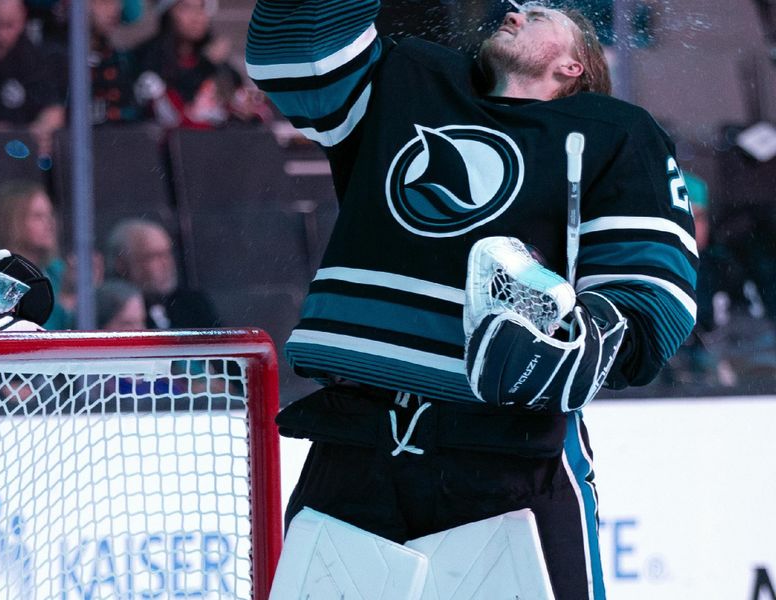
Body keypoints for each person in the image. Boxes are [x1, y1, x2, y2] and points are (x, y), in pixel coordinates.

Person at [246, 2, 697, 599]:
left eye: (541, 13)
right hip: (355, 446)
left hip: (508, 459)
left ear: (573, 65)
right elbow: (295, 54)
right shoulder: (405, 80)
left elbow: (653, 299)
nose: (515, 9)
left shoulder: (617, 131)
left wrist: (581, 341)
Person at [134, 0, 271, 130]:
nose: (197, 17)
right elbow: (172, 118)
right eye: (186, 8)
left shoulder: (218, 64)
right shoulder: (149, 60)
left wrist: (245, 110)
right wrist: (204, 66)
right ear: (167, 13)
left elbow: (252, 109)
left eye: (201, 7)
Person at [0, 0, 65, 157]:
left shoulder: (31, 56)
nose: (0, 36)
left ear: (22, 21)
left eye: (9, 26)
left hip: (20, 160)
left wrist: (42, 130)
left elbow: (53, 109)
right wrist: (13, 136)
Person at [0, 180, 70, 330]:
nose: (50, 223)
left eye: (50, 214)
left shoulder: (60, 273)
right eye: (38, 216)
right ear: (12, 222)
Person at [105, 218, 220, 329]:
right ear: (121, 264)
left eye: (167, 254)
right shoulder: (112, 310)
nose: (166, 264)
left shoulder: (194, 304)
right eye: (153, 256)